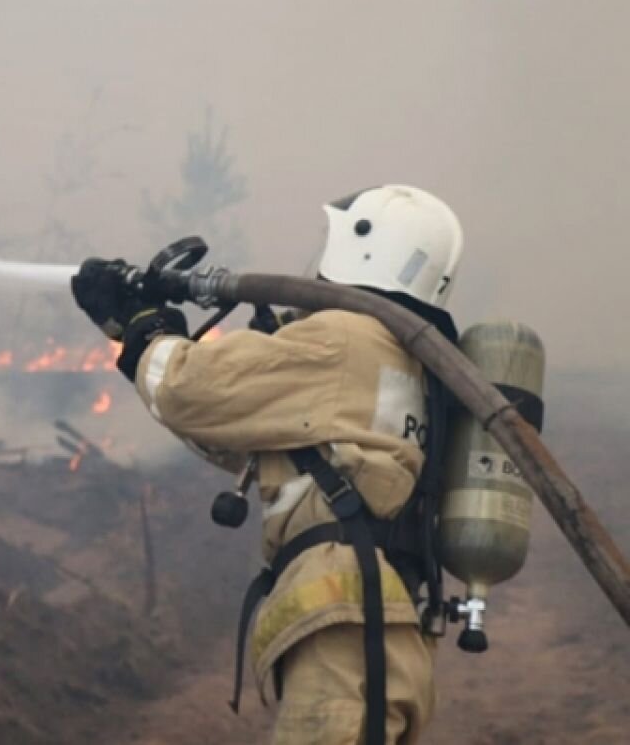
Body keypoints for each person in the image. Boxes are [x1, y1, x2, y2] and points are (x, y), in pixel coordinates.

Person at [71, 185, 464, 744]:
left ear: (365, 247)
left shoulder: (346, 336)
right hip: (383, 617)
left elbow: (187, 389)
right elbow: (247, 440)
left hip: (345, 610)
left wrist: (143, 326)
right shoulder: (407, 359)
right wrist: (141, 339)